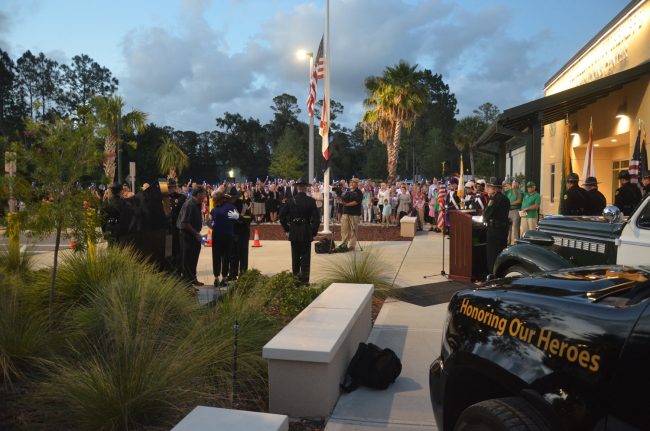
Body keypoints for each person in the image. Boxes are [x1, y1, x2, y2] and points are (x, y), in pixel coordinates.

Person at [279, 181, 320, 284]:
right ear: (305, 189)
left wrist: (287, 229)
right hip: (306, 230)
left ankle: (296, 280)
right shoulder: (311, 201)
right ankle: (305, 280)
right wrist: (314, 232)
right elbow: (317, 219)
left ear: (297, 189)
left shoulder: (290, 200)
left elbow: (281, 216)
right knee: (306, 257)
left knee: (295, 257)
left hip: (294, 231)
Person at [178, 185, 206, 286]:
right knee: (187, 259)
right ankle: (187, 284)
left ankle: (193, 279)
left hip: (195, 236)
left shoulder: (197, 204)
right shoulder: (189, 204)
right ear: (198, 194)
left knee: (194, 258)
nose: (205, 196)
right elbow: (185, 223)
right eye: (203, 193)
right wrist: (196, 234)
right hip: (187, 236)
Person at [209, 190, 239, 286]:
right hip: (228, 235)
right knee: (226, 256)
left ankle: (216, 277)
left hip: (216, 234)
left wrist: (214, 226)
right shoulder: (232, 207)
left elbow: (209, 221)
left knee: (216, 256)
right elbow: (236, 220)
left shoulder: (214, 210)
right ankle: (225, 277)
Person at [483, 177, 510, 276]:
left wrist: (484, 219)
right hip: (503, 229)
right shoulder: (505, 198)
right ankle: (500, 274)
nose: (488, 188)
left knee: (492, 254)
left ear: (494, 188)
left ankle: (492, 275)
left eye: (489, 187)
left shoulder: (494, 199)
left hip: (494, 230)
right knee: (501, 252)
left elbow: (486, 214)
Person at [229, 189, 253, 279]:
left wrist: (239, 217)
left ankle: (243, 275)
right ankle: (232, 274)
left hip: (242, 232)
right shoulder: (227, 205)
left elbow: (249, 218)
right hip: (231, 232)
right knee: (232, 255)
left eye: (233, 197)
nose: (231, 198)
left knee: (242, 254)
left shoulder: (243, 204)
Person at [339, 178, 364, 251]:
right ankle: (344, 243)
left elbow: (356, 202)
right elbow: (343, 199)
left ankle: (352, 245)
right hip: (346, 212)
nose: (352, 183)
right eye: (351, 182)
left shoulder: (359, 192)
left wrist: (346, 204)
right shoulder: (347, 191)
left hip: (354, 213)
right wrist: (340, 195)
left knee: (353, 230)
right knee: (344, 229)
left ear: (357, 184)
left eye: (353, 182)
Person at [167, 179, 186, 273]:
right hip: (168, 229)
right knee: (168, 251)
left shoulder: (181, 197)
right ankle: (170, 270)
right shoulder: (164, 198)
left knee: (178, 250)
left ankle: (178, 270)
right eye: (169, 187)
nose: (171, 189)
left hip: (177, 228)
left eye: (172, 187)